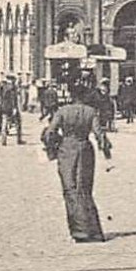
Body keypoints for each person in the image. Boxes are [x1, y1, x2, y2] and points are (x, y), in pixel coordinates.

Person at [42, 88, 113, 243]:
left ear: (71, 97)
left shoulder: (62, 111)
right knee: (85, 189)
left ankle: (79, 231)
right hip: (86, 150)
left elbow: (49, 133)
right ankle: (94, 231)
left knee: (70, 189)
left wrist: (52, 146)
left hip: (66, 151)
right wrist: (106, 152)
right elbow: (99, 133)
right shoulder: (91, 111)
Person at [0, 79, 24, 146]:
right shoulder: (11, 91)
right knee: (18, 123)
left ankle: (3, 140)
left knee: (4, 124)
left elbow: (0, 100)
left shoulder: (2, 90)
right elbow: (13, 100)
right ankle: (18, 139)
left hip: (4, 109)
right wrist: (14, 108)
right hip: (11, 109)